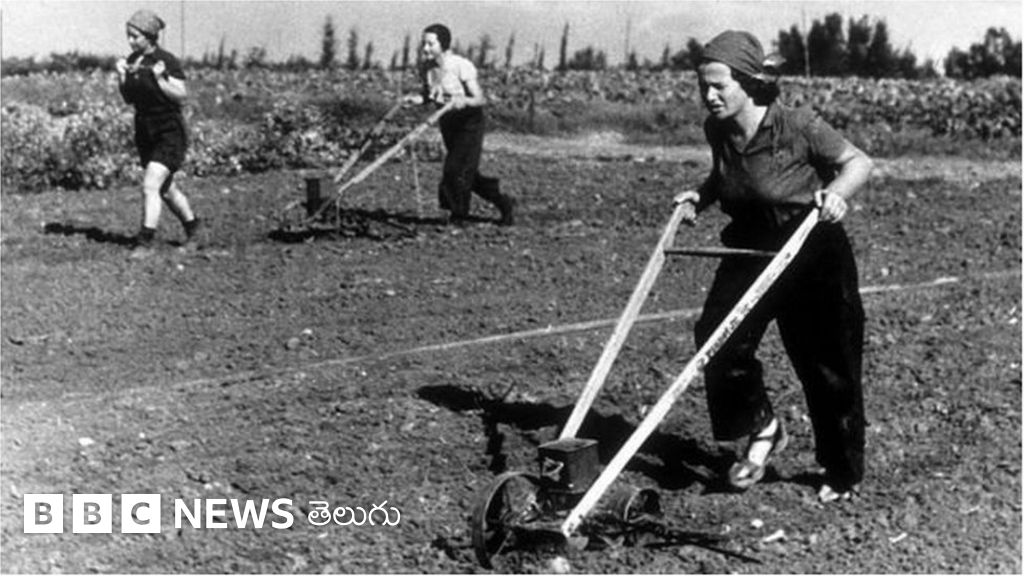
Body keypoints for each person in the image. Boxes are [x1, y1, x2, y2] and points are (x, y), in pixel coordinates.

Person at [674, 30, 873, 503]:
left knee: (826, 363)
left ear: (748, 82)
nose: (709, 96)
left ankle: (842, 472)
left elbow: (858, 162)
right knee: (717, 338)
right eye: (703, 86)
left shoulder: (798, 125)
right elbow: (727, 177)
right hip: (750, 246)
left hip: (810, 247)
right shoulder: (718, 129)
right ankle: (763, 426)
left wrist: (835, 195)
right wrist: (700, 196)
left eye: (719, 86)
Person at [404, 23, 515, 226]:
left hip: (469, 123)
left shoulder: (460, 65)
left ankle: (459, 216)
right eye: (423, 44)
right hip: (448, 122)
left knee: (454, 169)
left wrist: (463, 101)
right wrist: (416, 99)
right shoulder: (427, 68)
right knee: (466, 172)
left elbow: (480, 99)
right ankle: (503, 201)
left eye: (430, 44)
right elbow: (429, 95)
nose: (425, 48)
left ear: (444, 44)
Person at [116, 9, 202, 257]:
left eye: (135, 36)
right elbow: (129, 98)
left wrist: (161, 78)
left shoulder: (167, 61)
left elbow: (181, 95)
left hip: (169, 130)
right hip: (145, 130)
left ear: (150, 36)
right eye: (128, 35)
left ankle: (144, 242)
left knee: (150, 184)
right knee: (166, 189)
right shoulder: (133, 60)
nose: (130, 41)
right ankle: (195, 230)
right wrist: (122, 76)